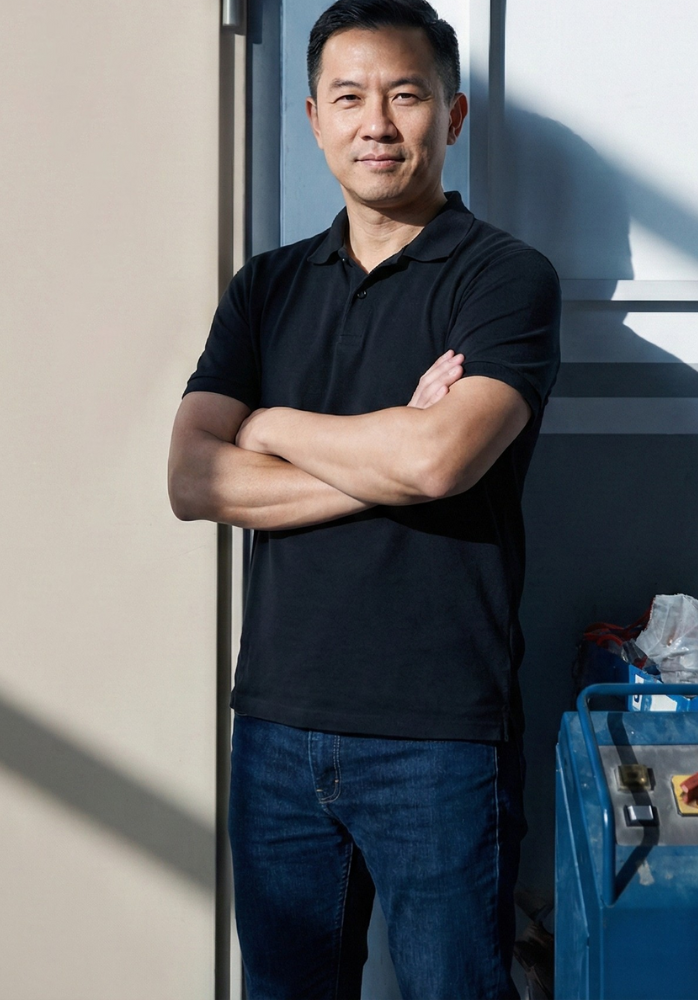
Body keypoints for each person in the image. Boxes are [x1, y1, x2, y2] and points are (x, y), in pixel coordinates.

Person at [168, 1, 560, 995]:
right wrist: (385, 444)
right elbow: (190, 476)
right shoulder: (265, 287)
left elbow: (438, 464)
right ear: (312, 118)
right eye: (349, 97)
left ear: (453, 115)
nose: (375, 123)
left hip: (440, 734)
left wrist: (265, 423)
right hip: (275, 726)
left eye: (404, 95)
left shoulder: (504, 279)